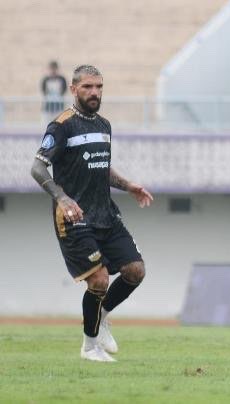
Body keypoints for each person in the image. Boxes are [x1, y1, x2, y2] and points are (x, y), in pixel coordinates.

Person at [30, 65, 153, 362]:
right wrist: (61, 198)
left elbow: (100, 166)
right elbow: (37, 167)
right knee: (99, 280)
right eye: (87, 87)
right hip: (75, 217)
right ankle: (89, 346)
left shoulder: (104, 125)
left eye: (98, 86)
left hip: (106, 213)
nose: (94, 92)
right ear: (73, 89)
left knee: (135, 271)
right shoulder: (62, 126)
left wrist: (128, 185)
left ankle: (104, 316)